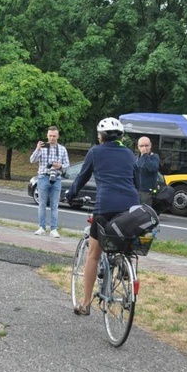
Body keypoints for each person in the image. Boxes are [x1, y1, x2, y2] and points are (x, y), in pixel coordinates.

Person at [65, 118, 140, 315]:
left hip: (105, 206)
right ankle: (124, 264)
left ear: (101, 137)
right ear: (121, 136)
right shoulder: (130, 154)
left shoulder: (95, 152)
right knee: (123, 240)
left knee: (93, 255)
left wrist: (70, 195)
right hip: (131, 207)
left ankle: (86, 303)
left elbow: (82, 177)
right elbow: (136, 182)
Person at [30, 126, 70, 238]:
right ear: (47, 136)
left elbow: (67, 164)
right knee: (42, 204)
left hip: (56, 178)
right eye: (50, 136)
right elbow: (32, 160)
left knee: (54, 205)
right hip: (43, 177)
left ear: (58, 136)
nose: (52, 138)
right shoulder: (42, 147)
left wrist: (60, 166)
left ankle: (53, 229)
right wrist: (37, 148)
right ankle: (41, 227)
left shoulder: (62, 149)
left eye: (54, 136)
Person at [136, 136, 160, 206]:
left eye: (146, 145)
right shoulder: (136, 158)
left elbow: (152, 168)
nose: (144, 148)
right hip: (136, 191)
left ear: (150, 146)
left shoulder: (154, 157)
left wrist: (145, 155)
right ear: (138, 147)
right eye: (141, 146)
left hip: (147, 193)